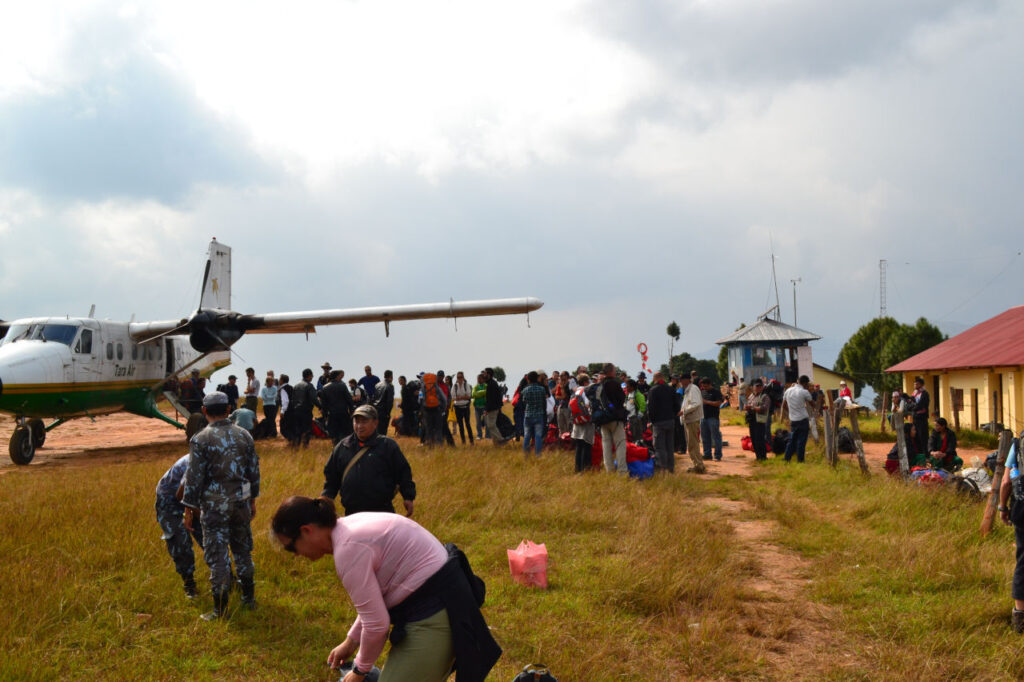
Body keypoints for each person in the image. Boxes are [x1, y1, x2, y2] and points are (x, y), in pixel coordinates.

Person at [271, 496, 501, 681]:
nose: (297, 555)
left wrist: (359, 671)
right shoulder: (348, 527)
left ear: (307, 530)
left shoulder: (348, 549)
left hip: (438, 615)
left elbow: (377, 624)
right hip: (444, 604)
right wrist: (351, 641)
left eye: (291, 547)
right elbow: (378, 602)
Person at [182, 391, 260, 620]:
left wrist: (188, 509)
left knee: (218, 557)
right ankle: (249, 599)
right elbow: (253, 471)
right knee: (243, 551)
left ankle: (220, 609)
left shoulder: (200, 439)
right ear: (228, 409)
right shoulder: (245, 435)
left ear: (205, 411)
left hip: (215, 507)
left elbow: (194, 478)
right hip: (241, 503)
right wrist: (252, 499)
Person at [322, 404, 416, 516]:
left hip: (383, 513)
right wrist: (326, 500)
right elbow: (331, 479)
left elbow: (403, 473)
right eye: (356, 421)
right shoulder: (343, 447)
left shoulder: (388, 446)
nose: (359, 426)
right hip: (352, 514)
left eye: (364, 421)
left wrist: (408, 497)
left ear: (375, 423)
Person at [155, 453, 204, 599]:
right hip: (170, 499)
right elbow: (181, 494)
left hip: (193, 497)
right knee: (180, 541)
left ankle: (227, 578)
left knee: (210, 537)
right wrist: (200, 514)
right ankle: (189, 585)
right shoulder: (199, 460)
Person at [998, 432, 1024, 633]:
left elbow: (1006, 481)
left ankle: (1020, 617)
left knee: (1023, 561)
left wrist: (1002, 507)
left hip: (1022, 508)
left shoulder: (1017, 444)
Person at [599, 363, 628, 474]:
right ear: (610, 372)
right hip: (615, 418)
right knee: (620, 443)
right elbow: (621, 398)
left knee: (606, 445)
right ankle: (622, 471)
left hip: (603, 419)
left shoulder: (600, 384)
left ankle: (609, 470)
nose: (615, 372)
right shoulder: (614, 384)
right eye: (614, 370)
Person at [646, 372, 676, 473]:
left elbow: (651, 408)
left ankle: (662, 468)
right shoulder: (671, 389)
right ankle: (671, 468)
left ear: (655, 379)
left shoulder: (653, 390)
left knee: (659, 446)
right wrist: (673, 416)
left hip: (658, 422)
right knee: (669, 446)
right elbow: (676, 405)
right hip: (670, 421)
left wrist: (651, 421)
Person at [782, 375, 814, 463]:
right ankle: (800, 460)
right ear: (805, 383)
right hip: (803, 419)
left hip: (793, 419)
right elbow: (812, 404)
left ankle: (786, 458)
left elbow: (784, 406)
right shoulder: (804, 392)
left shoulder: (788, 390)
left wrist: (791, 411)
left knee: (792, 440)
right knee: (801, 441)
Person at [678, 374, 705, 473]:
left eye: (681, 380)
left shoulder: (693, 389)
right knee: (692, 444)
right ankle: (698, 464)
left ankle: (698, 466)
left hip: (693, 420)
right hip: (689, 420)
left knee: (693, 444)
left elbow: (695, 403)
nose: (680, 382)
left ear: (687, 380)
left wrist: (684, 411)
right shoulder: (688, 389)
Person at [320, 370, 355, 443]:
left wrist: (325, 416)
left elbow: (324, 404)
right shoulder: (342, 385)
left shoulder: (325, 388)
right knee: (345, 434)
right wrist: (352, 412)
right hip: (343, 413)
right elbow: (349, 400)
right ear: (337, 376)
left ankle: (336, 450)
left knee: (334, 435)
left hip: (332, 415)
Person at [571, 375, 595, 472]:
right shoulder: (586, 391)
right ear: (585, 382)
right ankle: (585, 469)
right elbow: (588, 405)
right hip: (586, 421)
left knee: (579, 446)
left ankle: (577, 469)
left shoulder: (575, 391)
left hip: (576, 421)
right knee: (586, 445)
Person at [520, 371, 547, 458]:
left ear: (528, 379)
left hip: (528, 415)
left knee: (527, 435)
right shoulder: (542, 389)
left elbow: (524, 402)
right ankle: (538, 455)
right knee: (538, 436)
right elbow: (544, 402)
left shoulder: (525, 390)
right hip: (539, 415)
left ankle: (526, 455)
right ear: (537, 379)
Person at [290, 369, 320, 448]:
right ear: (309, 376)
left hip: (296, 411)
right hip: (306, 411)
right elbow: (314, 398)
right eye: (312, 375)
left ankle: (296, 447)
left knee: (297, 430)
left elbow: (292, 399)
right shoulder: (309, 386)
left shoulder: (296, 386)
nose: (312, 377)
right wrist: (320, 406)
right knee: (307, 429)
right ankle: (305, 447)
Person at [420, 372, 448, 447]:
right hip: (437, 410)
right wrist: (442, 409)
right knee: (438, 428)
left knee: (429, 428)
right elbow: (444, 399)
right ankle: (439, 444)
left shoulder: (422, 388)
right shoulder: (437, 387)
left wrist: (423, 409)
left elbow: (419, 400)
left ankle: (430, 444)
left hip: (427, 411)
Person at [745, 379, 770, 461]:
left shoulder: (765, 396)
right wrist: (747, 408)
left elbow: (764, 408)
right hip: (751, 420)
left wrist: (752, 408)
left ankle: (763, 457)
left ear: (763, 387)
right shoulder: (751, 396)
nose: (758, 388)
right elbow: (748, 405)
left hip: (759, 421)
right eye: (757, 386)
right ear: (753, 387)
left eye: (760, 386)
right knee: (754, 439)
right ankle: (758, 456)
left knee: (760, 439)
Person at [699, 378, 724, 461]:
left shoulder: (716, 392)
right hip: (703, 418)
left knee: (716, 437)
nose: (704, 387)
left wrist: (706, 402)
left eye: (705, 386)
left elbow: (718, 403)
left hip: (713, 418)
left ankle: (717, 455)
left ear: (710, 384)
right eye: (703, 386)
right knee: (705, 437)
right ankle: (707, 454)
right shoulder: (702, 392)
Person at [483, 368, 508, 445]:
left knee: (491, 425)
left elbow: (492, 399)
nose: (483, 374)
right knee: (492, 425)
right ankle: (496, 444)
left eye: (485, 373)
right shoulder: (491, 383)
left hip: (493, 409)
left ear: (488, 374)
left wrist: (487, 409)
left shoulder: (492, 384)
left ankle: (501, 439)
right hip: (494, 407)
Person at [450, 371, 474, 445]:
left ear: (463, 378)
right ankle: (463, 441)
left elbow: (469, 396)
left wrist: (459, 398)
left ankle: (471, 441)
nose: (459, 378)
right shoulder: (455, 386)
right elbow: (453, 397)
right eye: (458, 377)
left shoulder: (466, 385)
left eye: (461, 377)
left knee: (467, 424)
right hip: (457, 408)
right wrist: (463, 397)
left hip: (466, 407)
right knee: (460, 425)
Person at [371, 370, 396, 436]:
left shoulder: (378, 385)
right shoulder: (390, 386)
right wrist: (388, 412)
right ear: (391, 376)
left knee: (376, 429)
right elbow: (389, 401)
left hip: (376, 409)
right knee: (382, 431)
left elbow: (373, 398)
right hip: (384, 411)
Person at [912, 377, 931, 456]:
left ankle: (925, 454)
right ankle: (918, 453)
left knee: (923, 436)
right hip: (915, 417)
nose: (915, 385)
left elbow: (921, 405)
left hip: (922, 418)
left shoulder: (924, 394)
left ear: (921, 385)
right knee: (916, 436)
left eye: (917, 383)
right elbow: (911, 402)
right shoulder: (915, 393)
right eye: (915, 383)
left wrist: (913, 408)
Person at [472, 373, 489, 440]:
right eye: (477, 379)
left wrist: (478, 393)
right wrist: (482, 394)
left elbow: (487, 392)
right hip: (477, 407)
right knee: (478, 422)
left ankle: (487, 436)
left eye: (480, 378)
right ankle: (479, 435)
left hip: (484, 407)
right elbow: (473, 394)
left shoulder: (486, 386)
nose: (478, 380)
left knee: (486, 422)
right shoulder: (475, 386)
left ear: (483, 379)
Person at [278, 374, 294, 441]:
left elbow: (285, 401)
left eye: (280, 379)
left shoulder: (283, 389)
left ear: (282, 380)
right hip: (292, 409)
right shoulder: (291, 387)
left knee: (283, 428)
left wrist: (282, 411)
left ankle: (291, 441)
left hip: (286, 410)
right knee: (290, 426)